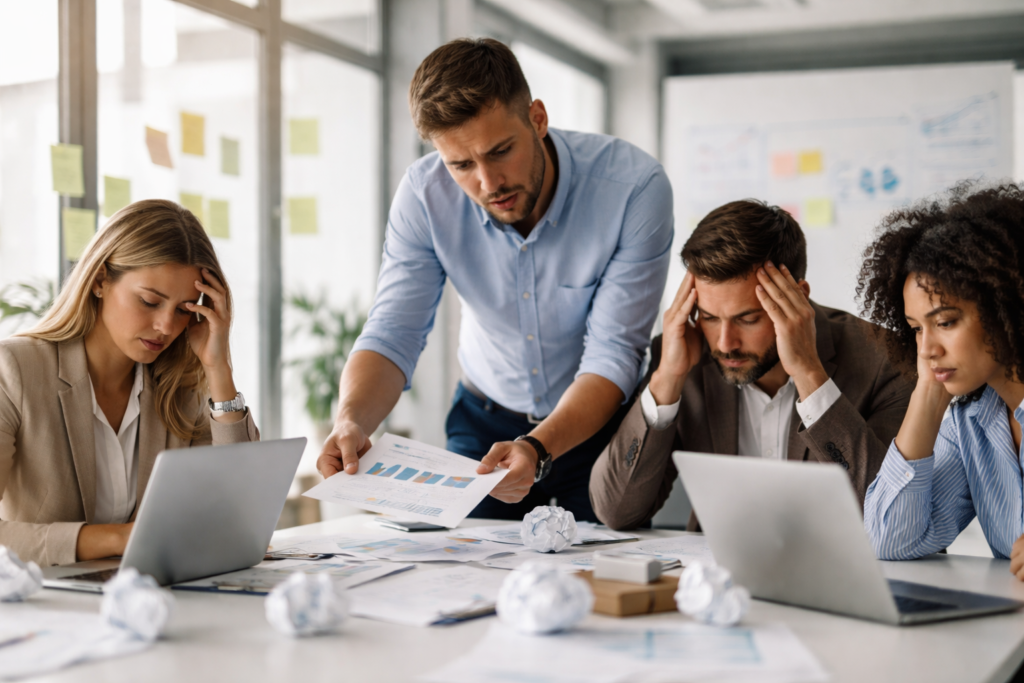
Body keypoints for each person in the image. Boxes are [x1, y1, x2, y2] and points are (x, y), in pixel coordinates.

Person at [315, 38, 673, 522]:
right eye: (461, 165)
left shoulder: (634, 189)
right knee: (460, 574)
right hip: (483, 418)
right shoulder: (424, 197)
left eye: (500, 151)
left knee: (600, 581)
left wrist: (538, 447)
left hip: (598, 426)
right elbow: (393, 332)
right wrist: (352, 419)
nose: (488, 183)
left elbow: (613, 354)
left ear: (537, 119)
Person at [590, 199, 913, 530]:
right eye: (711, 317)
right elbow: (615, 511)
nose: (725, 343)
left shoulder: (885, 358)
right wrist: (666, 380)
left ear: (797, 297)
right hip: (719, 575)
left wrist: (809, 375)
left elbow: (892, 516)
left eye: (747, 318)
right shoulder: (683, 356)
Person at [0, 199, 258, 567]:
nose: (167, 326)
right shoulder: (13, 370)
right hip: (46, 606)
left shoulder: (180, 389)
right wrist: (115, 539)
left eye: (185, 309)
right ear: (101, 280)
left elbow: (243, 512)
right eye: (150, 301)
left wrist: (219, 368)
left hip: (153, 604)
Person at [859, 182, 1024, 574]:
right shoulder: (970, 420)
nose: (926, 348)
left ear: (1009, 307)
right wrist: (928, 396)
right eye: (916, 328)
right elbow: (889, 541)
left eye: (945, 322)